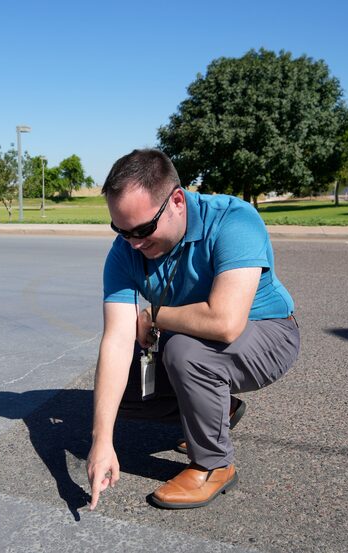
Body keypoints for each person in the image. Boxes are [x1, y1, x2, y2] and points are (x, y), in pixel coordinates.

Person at [86, 149, 300, 510]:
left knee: (184, 351)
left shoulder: (235, 220)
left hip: (268, 334)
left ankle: (214, 465)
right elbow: (118, 340)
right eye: (120, 231)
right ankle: (221, 409)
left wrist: (153, 316)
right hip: (190, 342)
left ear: (178, 201)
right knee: (114, 395)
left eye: (143, 230)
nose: (133, 243)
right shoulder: (125, 249)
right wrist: (101, 440)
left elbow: (225, 323)